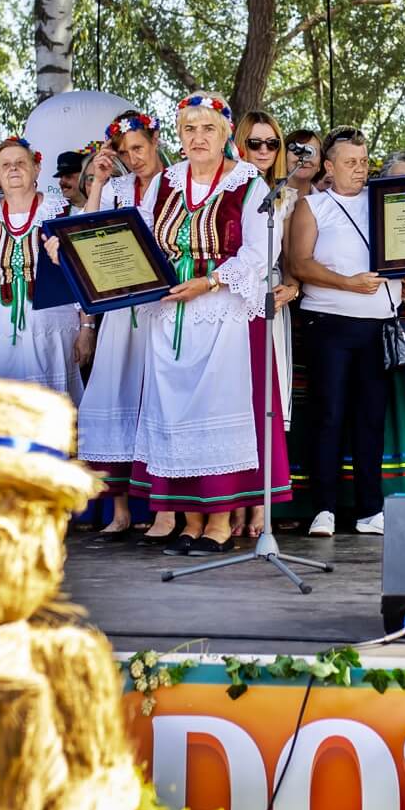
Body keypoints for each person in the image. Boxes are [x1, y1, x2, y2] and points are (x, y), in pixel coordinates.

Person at [135, 93, 288, 553]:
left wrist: (211, 281)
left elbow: (262, 252)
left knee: (218, 410)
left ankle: (219, 518)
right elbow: (139, 240)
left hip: (224, 313)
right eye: (189, 130)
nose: (198, 138)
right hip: (170, 313)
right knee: (177, 411)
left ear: (225, 137)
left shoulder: (249, 184)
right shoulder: (163, 183)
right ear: (179, 138)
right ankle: (188, 517)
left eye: (208, 130)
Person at [289, 126, 392, 536]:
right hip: (328, 322)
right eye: (350, 163)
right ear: (328, 167)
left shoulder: (383, 202)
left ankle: (371, 510)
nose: (360, 170)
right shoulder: (312, 206)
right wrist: (348, 282)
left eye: (365, 162)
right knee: (328, 415)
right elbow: (299, 263)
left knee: (370, 419)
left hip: (377, 323)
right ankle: (324, 509)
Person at [78, 110, 173, 542]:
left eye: (139, 148)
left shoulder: (177, 183)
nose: (133, 158)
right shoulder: (116, 188)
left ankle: (163, 511)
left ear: (154, 142)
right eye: (124, 152)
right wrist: (98, 180)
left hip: (164, 307)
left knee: (158, 399)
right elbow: (85, 230)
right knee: (115, 395)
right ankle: (118, 510)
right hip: (121, 309)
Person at [0, 137, 86, 401]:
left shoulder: (62, 211)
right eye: (5, 165)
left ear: (36, 168)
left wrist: (87, 328)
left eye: (20, 163)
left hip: (53, 330)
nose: (13, 169)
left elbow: (82, 276)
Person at [236, 110, 303, 535]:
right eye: (255, 143)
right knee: (234, 402)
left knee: (266, 404)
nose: (263, 151)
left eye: (271, 143)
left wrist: (293, 285)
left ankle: (261, 507)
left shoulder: (288, 196)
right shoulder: (226, 190)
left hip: (271, 300)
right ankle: (235, 503)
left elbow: (293, 261)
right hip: (228, 302)